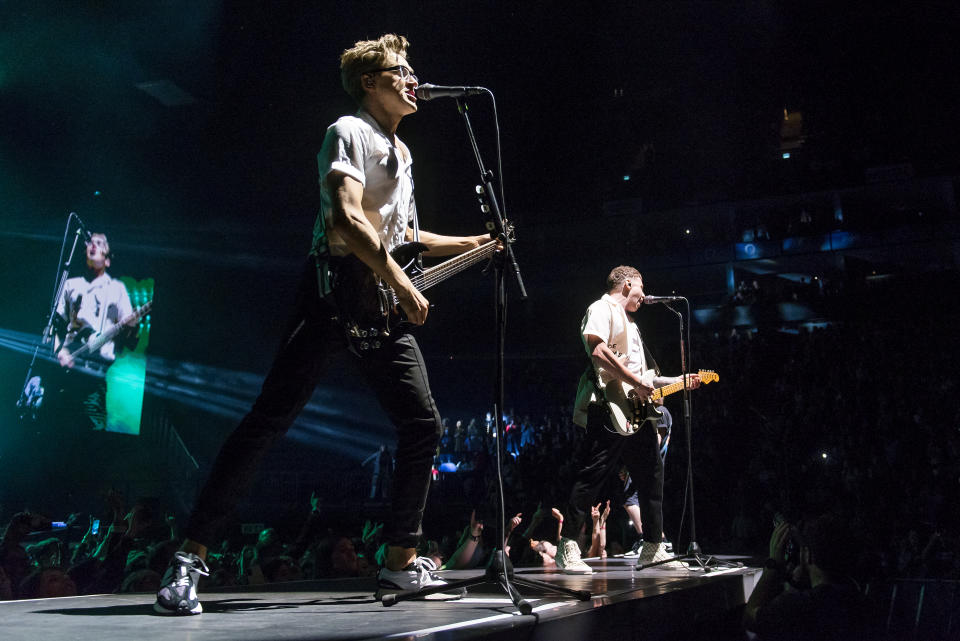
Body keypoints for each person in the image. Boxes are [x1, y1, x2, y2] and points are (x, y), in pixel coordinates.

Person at [154, 33, 492, 615]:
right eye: (401, 71)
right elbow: (345, 220)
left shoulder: (402, 152)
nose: (414, 79)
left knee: (423, 423)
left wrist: (468, 243)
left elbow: (398, 234)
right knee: (269, 420)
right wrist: (405, 283)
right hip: (333, 293)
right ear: (369, 82)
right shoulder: (348, 131)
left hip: (381, 304)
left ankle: (399, 562)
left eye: (414, 70)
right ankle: (188, 559)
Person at [555, 265, 701, 574]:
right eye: (641, 288)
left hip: (636, 413)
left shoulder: (632, 326)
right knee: (592, 473)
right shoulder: (601, 307)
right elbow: (597, 350)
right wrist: (635, 382)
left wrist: (679, 379)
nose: (644, 295)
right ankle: (567, 546)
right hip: (608, 405)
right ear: (628, 284)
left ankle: (652, 547)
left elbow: (645, 378)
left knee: (651, 477)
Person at [53, 233, 140, 430]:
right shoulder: (70, 284)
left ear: (107, 261)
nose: (93, 245)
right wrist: (61, 352)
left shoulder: (117, 289)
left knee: (90, 434)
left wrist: (131, 328)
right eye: (91, 242)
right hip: (66, 372)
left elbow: (131, 340)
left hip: (97, 374)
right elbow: (55, 327)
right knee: (57, 430)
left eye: (100, 244)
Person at [742, 515, 874, 640]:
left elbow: (750, 618)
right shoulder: (859, 600)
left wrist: (773, 565)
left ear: (808, 555)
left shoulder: (797, 606)